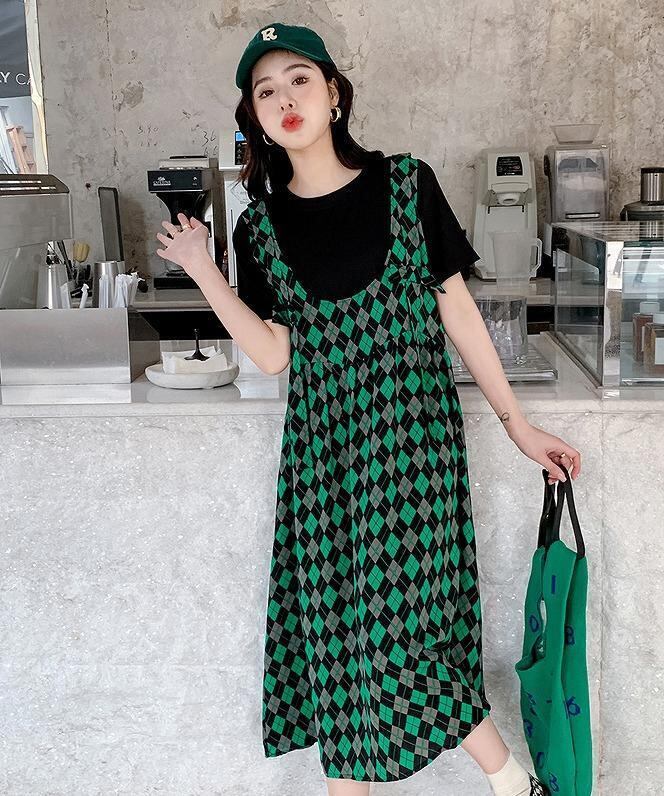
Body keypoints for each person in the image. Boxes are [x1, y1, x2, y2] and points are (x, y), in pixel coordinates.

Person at [155, 21, 581, 796]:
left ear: (334, 94)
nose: (285, 98)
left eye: (299, 79)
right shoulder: (260, 228)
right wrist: (201, 270)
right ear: (255, 118)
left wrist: (518, 426)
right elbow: (275, 353)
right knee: (341, 648)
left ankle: (512, 783)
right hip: (325, 460)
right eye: (266, 91)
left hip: (413, 450)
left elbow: (458, 311)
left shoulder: (407, 185)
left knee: (396, 641)